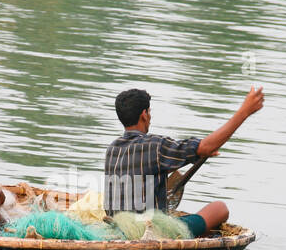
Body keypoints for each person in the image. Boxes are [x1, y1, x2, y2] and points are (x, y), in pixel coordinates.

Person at [103, 87, 264, 236]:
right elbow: (206, 146)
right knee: (220, 209)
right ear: (144, 114)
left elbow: (140, 170)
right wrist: (245, 111)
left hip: (117, 229)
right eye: (149, 112)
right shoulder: (155, 146)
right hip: (150, 232)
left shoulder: (112, 149)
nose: (150, 117)